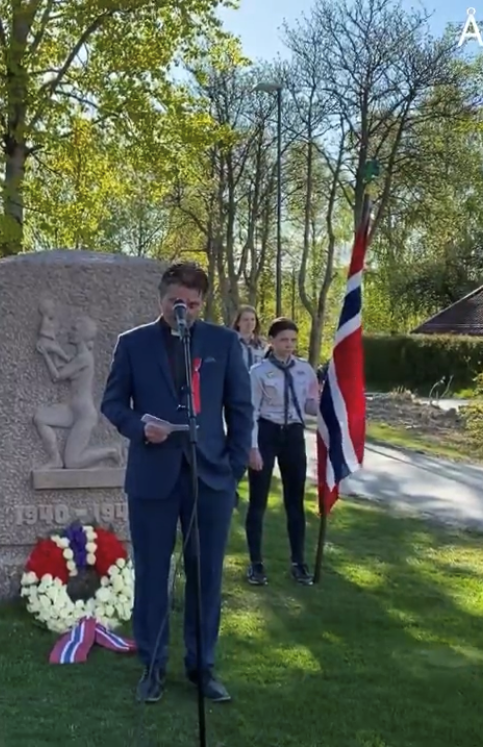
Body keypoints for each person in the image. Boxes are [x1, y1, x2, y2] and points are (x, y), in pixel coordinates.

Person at [101, 261, 253, 704]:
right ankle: (152, 666)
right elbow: (113, 403)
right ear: (161, 298)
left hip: (210, 478)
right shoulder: (133, 343)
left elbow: (240, 409)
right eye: (175, 302)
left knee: (206, 576)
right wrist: (139, 427)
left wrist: (233, 468)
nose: (182, 309)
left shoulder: (223, 343)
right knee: (151, 575)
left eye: (192, 303)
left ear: (202, 303)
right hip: (152, 477)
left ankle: (202, 667)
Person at [246, 318, 320, 586]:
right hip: (267, 433)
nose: (289, 345)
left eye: (293, 340)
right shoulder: (258, 372)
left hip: (293, 435)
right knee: (258, 502)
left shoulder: (304, 370)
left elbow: (310, 405)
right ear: (272, 341)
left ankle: (298, 562)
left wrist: (329, 402)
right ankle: (256, 564)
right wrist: (253, 448)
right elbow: (251, 412)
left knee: (295, 501)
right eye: (283, 340)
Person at [231, 305, 266, 371]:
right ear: (238, 322)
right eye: (246, 320)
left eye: (252, 319)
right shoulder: (231, 342)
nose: (249, 323)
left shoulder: (262, 344)